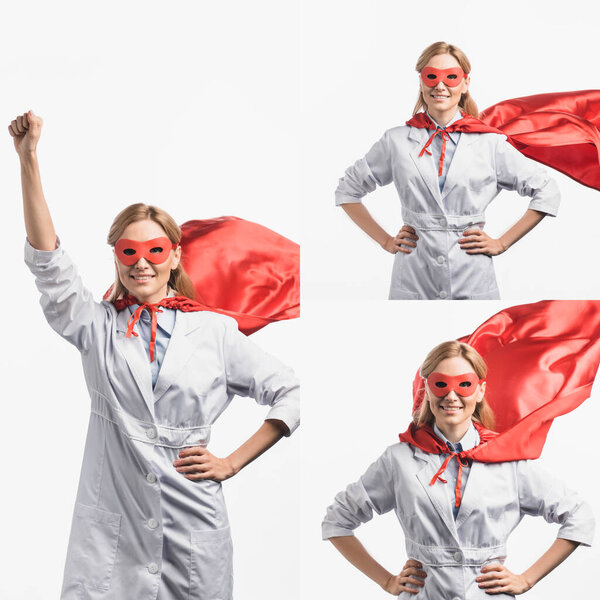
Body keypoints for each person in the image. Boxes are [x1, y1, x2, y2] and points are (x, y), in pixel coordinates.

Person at [10, 110, 300, 600]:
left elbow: (291, 393)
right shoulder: (95, 324)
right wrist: (28, 159)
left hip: (192, 524)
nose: (142, 262)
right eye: (128, 252)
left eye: (154, 250)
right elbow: (48, 263)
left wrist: (230, 463)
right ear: (117, 256)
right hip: (111, 529)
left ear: (174, 255)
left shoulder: (214, 331)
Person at [322, 341, 593, 598]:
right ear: (426, 389)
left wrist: (527, 579)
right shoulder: (399, 459)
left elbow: (579, 516)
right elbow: (337, 520)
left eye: (464, 385)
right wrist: (387, 581)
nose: (451, 396)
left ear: (480, 391)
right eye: (441, 385)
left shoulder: (508, 458)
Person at [335, 41, 560, 300]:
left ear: (465, 84)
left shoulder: (490, 142)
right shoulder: (396, 141)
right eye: (431, 76)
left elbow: (547, 191)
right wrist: (386, 240)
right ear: (421, 82)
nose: (440, 85)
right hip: (414, 273)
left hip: (472, 273)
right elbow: (347, 190)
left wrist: (502, 242)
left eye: (451, 77)